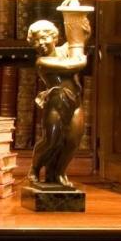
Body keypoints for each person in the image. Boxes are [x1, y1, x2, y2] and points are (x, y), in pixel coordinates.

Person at [27, 19, 87, 187]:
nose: (40, 44)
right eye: (36, 41)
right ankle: (34, 167)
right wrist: (80, 58)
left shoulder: (66, 49)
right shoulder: (42, 62)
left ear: (54, 37)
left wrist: (77, 15)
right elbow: (72, 66)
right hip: (56, 103)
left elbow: (79, 37)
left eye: (43, 38)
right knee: (51, 139)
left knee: (73, 140)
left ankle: (59, 173)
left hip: (75, 102)